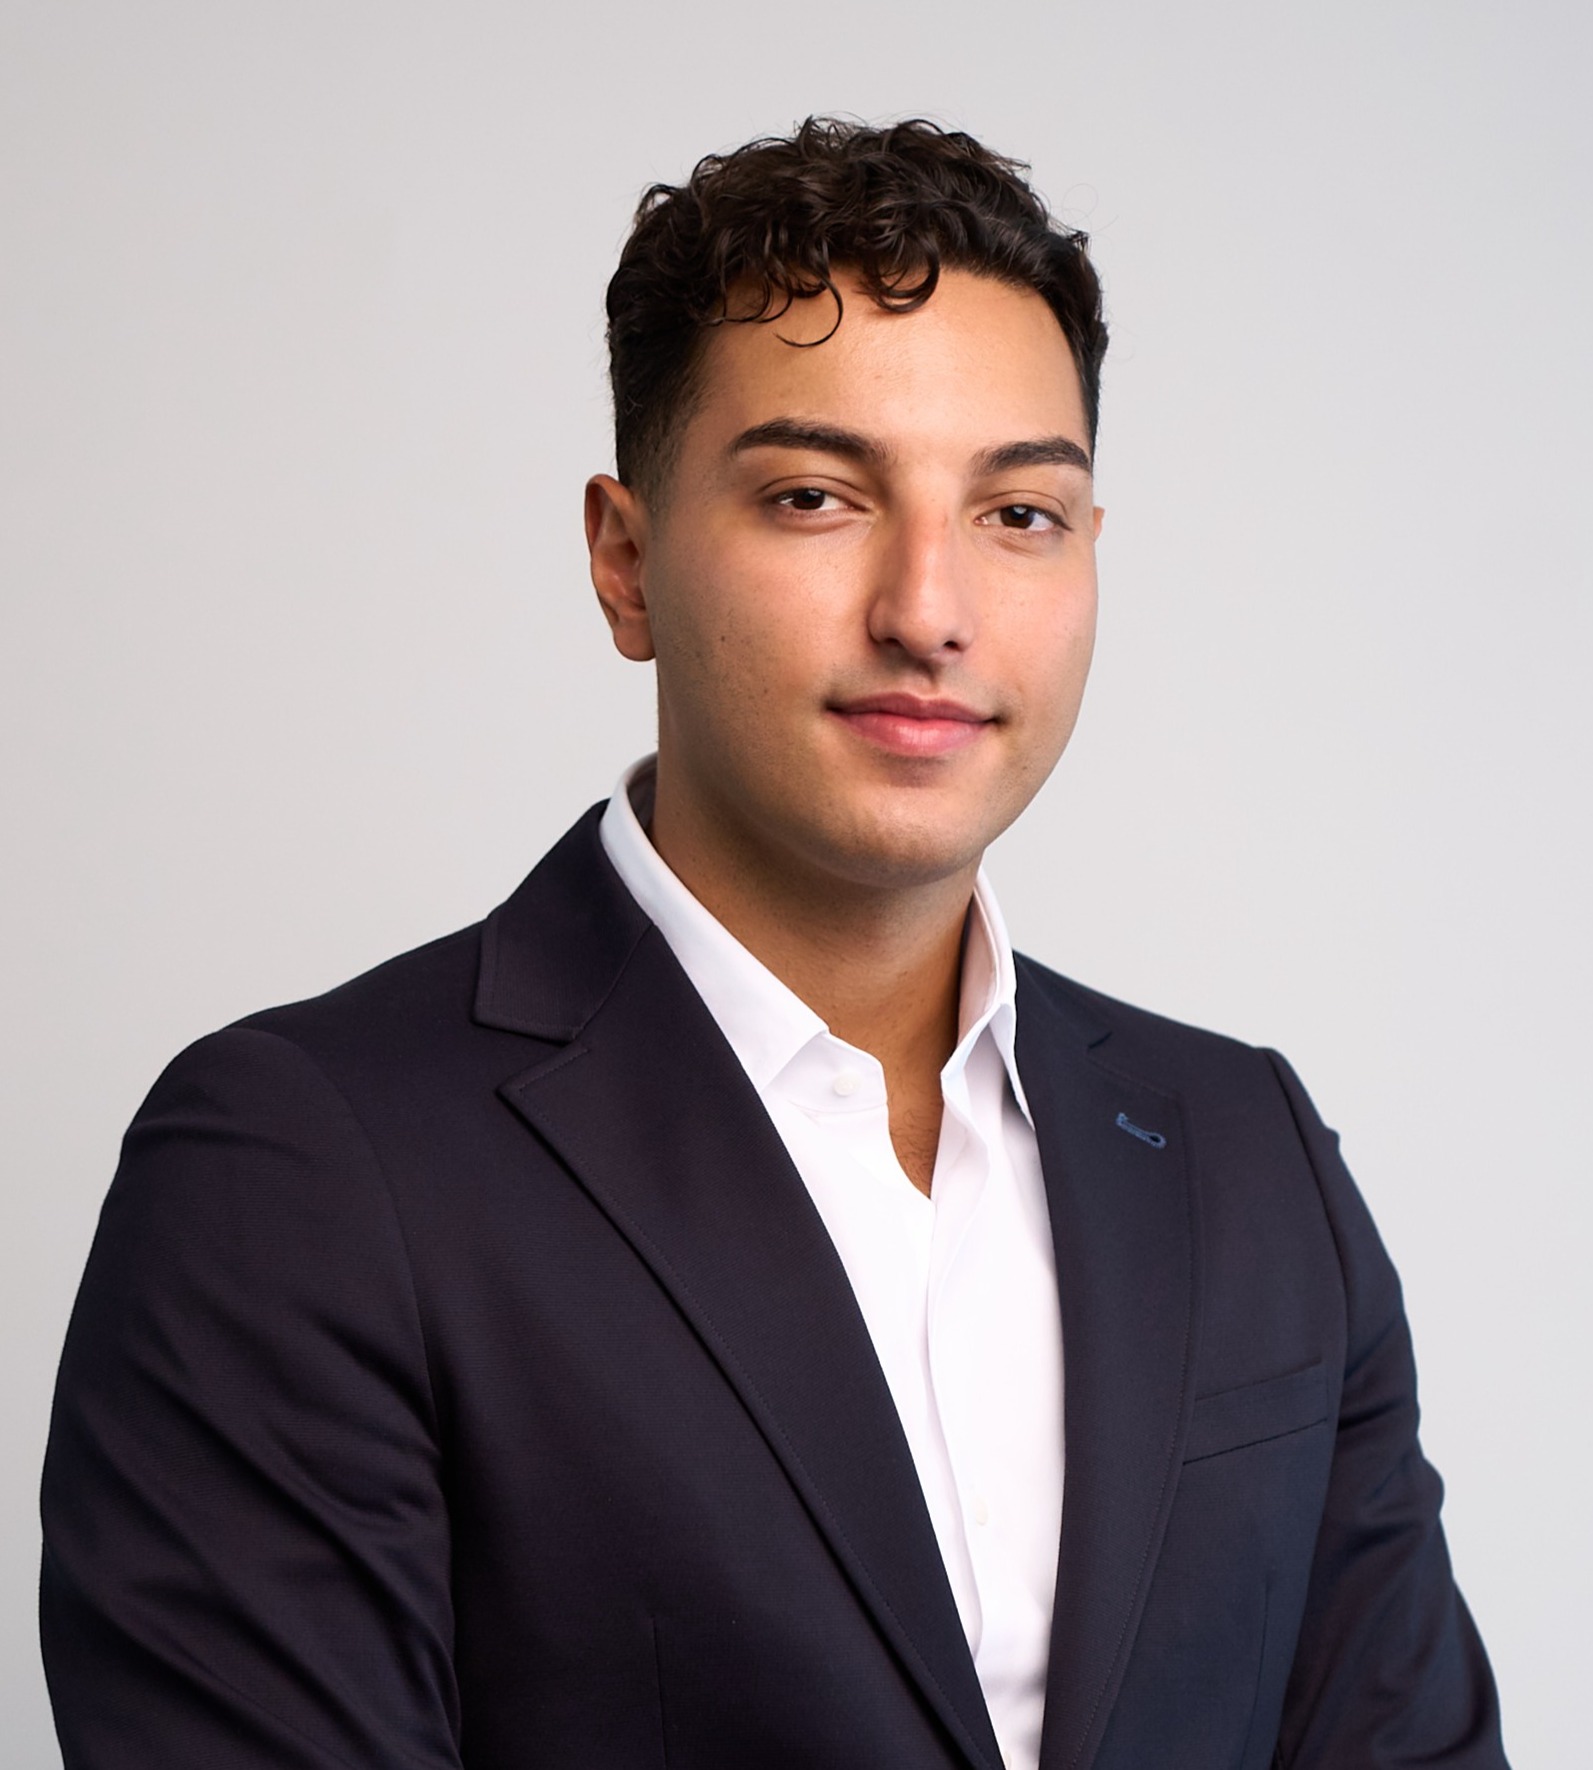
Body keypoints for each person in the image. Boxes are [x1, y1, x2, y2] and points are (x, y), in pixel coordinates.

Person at [40, 117, 1508, 1770]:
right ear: (625, 562)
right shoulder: (303, 1168)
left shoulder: (1248, 1156)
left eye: (1018, 511)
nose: (928, 609)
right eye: (814, 496)